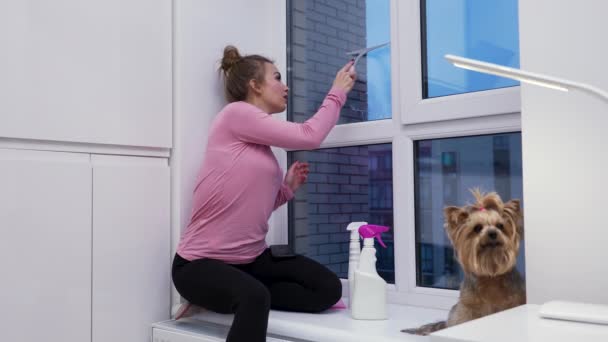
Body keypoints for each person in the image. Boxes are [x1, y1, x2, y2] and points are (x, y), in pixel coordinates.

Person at [172, 45, 356, 342]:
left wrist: (286, 190)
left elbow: (247, 208)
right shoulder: (235, 114)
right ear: (254, 86)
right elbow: (309, 136)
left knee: (327, 289)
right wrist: (337, 93)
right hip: (199, 265)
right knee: (254, 297)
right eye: (278, 78)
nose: (286, 86)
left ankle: (234, 292)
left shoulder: (259, 147)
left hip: (250, 261)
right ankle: (233, 293)